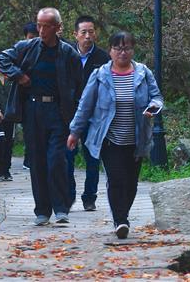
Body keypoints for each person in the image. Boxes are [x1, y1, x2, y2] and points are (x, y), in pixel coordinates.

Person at [67, 31, 164, 240]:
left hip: (136, 138)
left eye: (127, 48)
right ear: (110, 51)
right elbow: (85, 105)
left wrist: (153, 108)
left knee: (131, 183)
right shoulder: (100, 75)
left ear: (133, 50)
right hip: (109, 139)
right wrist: (75, 132)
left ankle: (123, 214)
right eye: (118, 48)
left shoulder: (143, 73)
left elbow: (157, 97)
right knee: (116, 178)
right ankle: (120, 220)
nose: (122, 52)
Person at [0, 8, 83, 226]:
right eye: (39, 25)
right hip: (33, 111)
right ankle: (42, 211)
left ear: (57, 27)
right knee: (37, 161)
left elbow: (79, 85)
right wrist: (19, 76)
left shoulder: (68, 53)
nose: (41, 30)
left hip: (58, 112)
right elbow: (2, 59)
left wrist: (77, 117)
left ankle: (61, 209)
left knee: (56, 160)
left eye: (46, 26)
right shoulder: (26, 47)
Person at [66, 14, 110, 211]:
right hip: (71, 114)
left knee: (93, 157)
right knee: (67, 156)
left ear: (95, 34)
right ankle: (69, 193)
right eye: (83, 32)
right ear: (75, 34)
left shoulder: (102, 58)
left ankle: (89, 197)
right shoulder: (66, 55)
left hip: (95, 116)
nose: (87, 36)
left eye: (91, 32)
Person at [21, 20, 39, 168]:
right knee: (29, 131)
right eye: (30, 37)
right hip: (26, 99)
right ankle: (29, 158)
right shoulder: (20, 50)